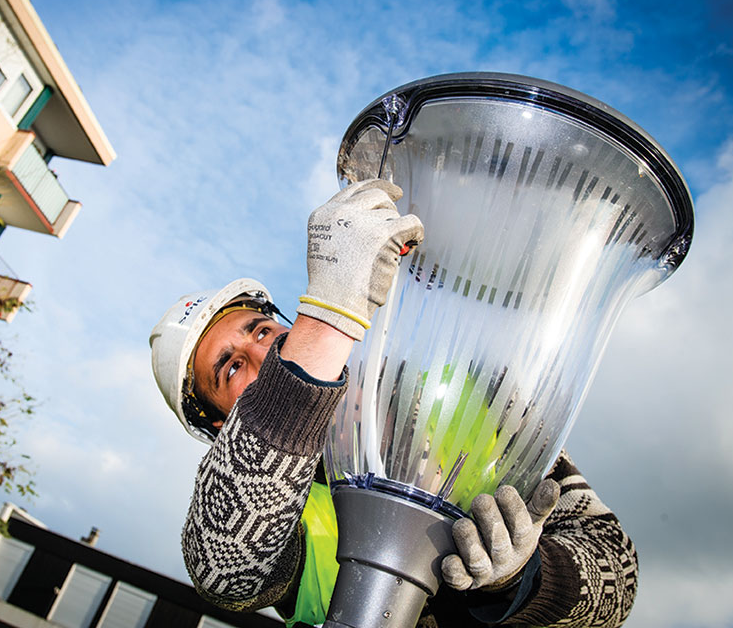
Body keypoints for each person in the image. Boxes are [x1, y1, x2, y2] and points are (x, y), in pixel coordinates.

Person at [150, 180, 638, 627]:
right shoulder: (260, 504)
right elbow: (223, 572)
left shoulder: (471, 395)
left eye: (259, 329)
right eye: (230, 368)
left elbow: (618, 570)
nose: (263, 350)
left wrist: (523, 578)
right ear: (219, 425)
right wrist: (327, 316)